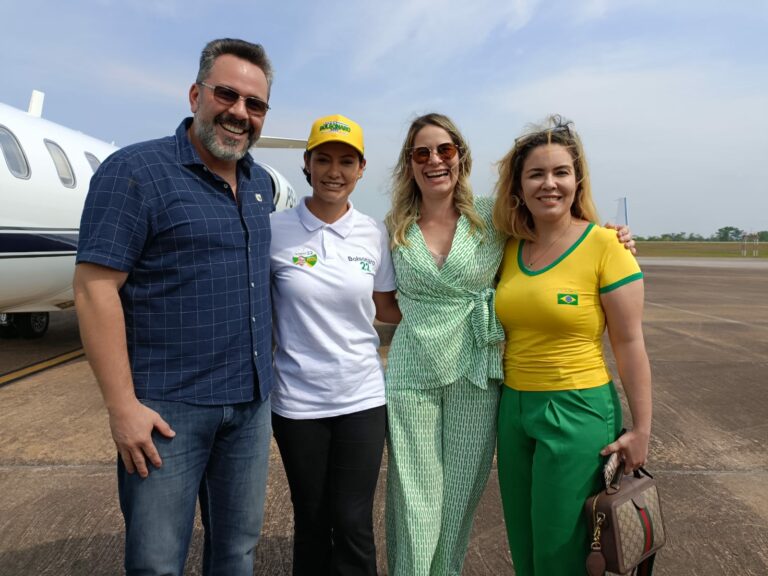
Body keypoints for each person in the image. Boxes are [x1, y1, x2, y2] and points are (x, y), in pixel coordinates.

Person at [382, 112, 635, 576]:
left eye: (445, 150)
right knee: (415, 501)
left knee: (459, 501)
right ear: (409, 162)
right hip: (414, 372)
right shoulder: (394, 226)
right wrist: (427, 322)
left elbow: (558, 233)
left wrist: (612, 237)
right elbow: (384, 301)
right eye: (422, 152)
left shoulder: (491, 219)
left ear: (461, 157)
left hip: (476, 375)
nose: (435, 160)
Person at [73, 38, 275, 576]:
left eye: (255, 104)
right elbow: (94, 289)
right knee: (157, 562)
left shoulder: (257, 183)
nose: (240, 112)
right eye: (227, 94)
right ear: (195, 94)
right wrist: (122, 408)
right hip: (168, 412)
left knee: (237, 552)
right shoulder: (136, 172)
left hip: (249, 406)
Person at [492, 115, 652, 575]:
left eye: (560, 172)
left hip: (577, 408)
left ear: (577, 180)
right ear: (518, 186)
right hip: (514, 410)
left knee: (561, 554)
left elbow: (630, 343)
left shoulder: (606, 246)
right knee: (525, 548)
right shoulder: (508, 248)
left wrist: (642, 429)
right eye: (535, 174)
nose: (549, 184)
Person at [269, 114, 400, 575]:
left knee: (353, 522)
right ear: (306, 164)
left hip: (361, 398)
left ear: (361, 169)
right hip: (297, 402)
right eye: (323, 159)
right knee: (311, 519)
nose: (334, 171)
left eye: (346, 161)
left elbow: (388, 308)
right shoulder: (274, 230)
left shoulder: (373, 233)